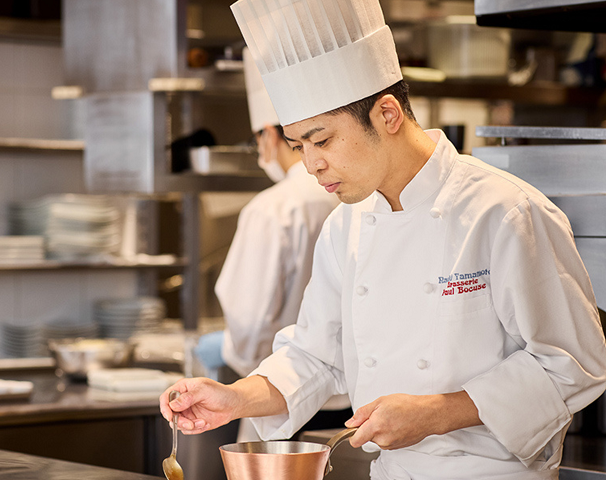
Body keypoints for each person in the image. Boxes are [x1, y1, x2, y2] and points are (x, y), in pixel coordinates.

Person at [161, 0, 606, 478]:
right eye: (298, 146)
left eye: (323, 140)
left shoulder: (505, 211)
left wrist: (439, 411)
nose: (311, 164)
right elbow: (315, 354)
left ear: (388, 114)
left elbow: (575, 362)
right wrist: (234, 399)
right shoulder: (346, 225)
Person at [194, 48, 344, 441]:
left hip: (280, 402)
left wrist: (229, 349)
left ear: (270, 135)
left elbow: (249, 319)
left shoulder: (272, 208)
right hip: (348, 406)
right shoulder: (348, 195)